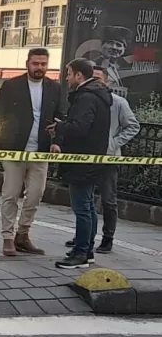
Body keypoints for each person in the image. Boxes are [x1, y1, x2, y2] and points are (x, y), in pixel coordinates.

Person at [0, 48, 64, 257]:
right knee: (11, 194)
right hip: (14, 149)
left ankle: (22, 234)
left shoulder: (54, 88)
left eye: (43, 64)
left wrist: (57, 141)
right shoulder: (12, 86)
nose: (39, 68)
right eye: (35, 63)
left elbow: (59, 116)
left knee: (35, 195)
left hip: (41, 150)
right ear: (27, 64)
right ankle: (7, 237)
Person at [64, 67, 140, 255]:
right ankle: (84, 238)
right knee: (86, 201)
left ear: (106, 81)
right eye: (93, 77)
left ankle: (107, 238)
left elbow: (133, 126)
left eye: (99, 79)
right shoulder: (85, 99)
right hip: (88, 156)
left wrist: (113, 143)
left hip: (108, 157)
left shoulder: (117, 102)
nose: (95, 82)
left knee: (108, 200)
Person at [51, 59, 112, 269]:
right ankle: (86, 250)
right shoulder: (99, 96)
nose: (66, 78)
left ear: (79, 76)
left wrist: (60, 128)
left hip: (82, 160)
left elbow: (80, 128)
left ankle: (81, 254)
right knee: (87, 206)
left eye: (69, 74)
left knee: (82, 208)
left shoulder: (86, 97)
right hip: (91, 158)